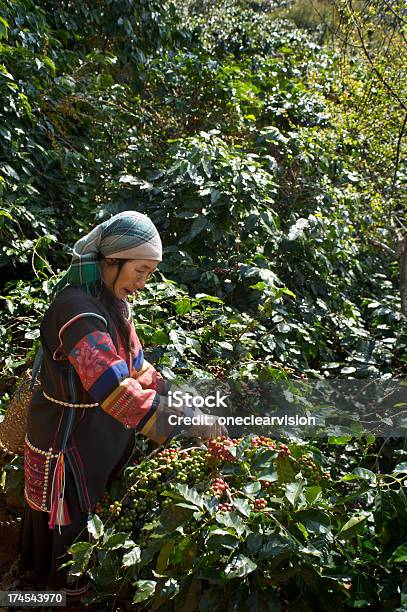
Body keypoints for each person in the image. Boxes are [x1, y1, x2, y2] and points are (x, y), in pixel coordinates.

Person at [19, 210, 223, 600]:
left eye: (149, 273)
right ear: (112, 261)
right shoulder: (77, 311)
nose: (143, 283)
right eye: (140, 270)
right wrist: (186, 422)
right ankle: (56, 597)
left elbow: (136, 367)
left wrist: (181, 398)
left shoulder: (109, 302)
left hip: (97, 432)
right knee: (70, 522)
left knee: (88, 517)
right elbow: (115, 390)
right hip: (69, 435)